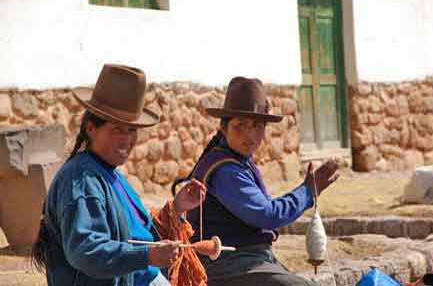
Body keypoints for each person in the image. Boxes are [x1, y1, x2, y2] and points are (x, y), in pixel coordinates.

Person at [31, 64, 207, 286]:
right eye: (117, 129)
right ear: (91, 128)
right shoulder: (82, 181)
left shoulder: (108, 173)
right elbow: (85, 250)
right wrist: (147, 256)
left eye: (131, 130)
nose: (127, 139)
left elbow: (134, 233)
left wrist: (176, 209)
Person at [171, 76, 340, 286]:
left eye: (257, 126)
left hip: (245, 260)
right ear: (224, 128)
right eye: (240, 125)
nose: (249, 135)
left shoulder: (236, 160)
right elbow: (267, 215)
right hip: (223, 263)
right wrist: (307, 192)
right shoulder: (226, 170)